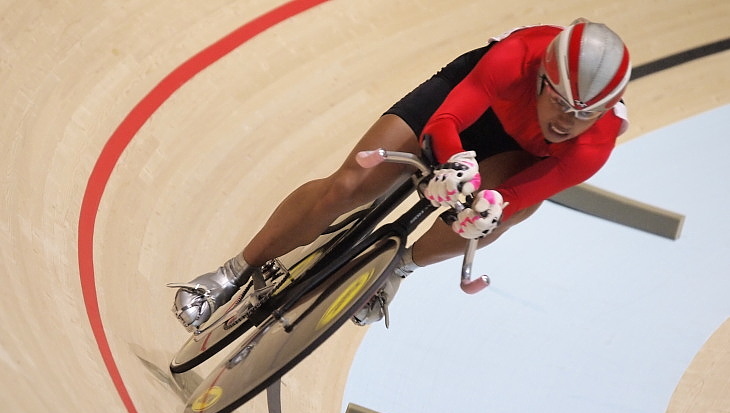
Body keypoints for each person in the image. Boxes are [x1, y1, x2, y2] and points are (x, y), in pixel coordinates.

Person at [170, 19, 631, 331]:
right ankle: (232, 272)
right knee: (349, 185)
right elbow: (444, 124)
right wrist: (451, 162)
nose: (568, 121)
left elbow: (521, 193)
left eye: (586, 113)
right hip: (473, 102)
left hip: (520, 153)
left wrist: (490, 205)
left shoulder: (593, 145)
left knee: (490, 218)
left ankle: (399, 267)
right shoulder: (515, 57)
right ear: (542, 79)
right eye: (562, 102)